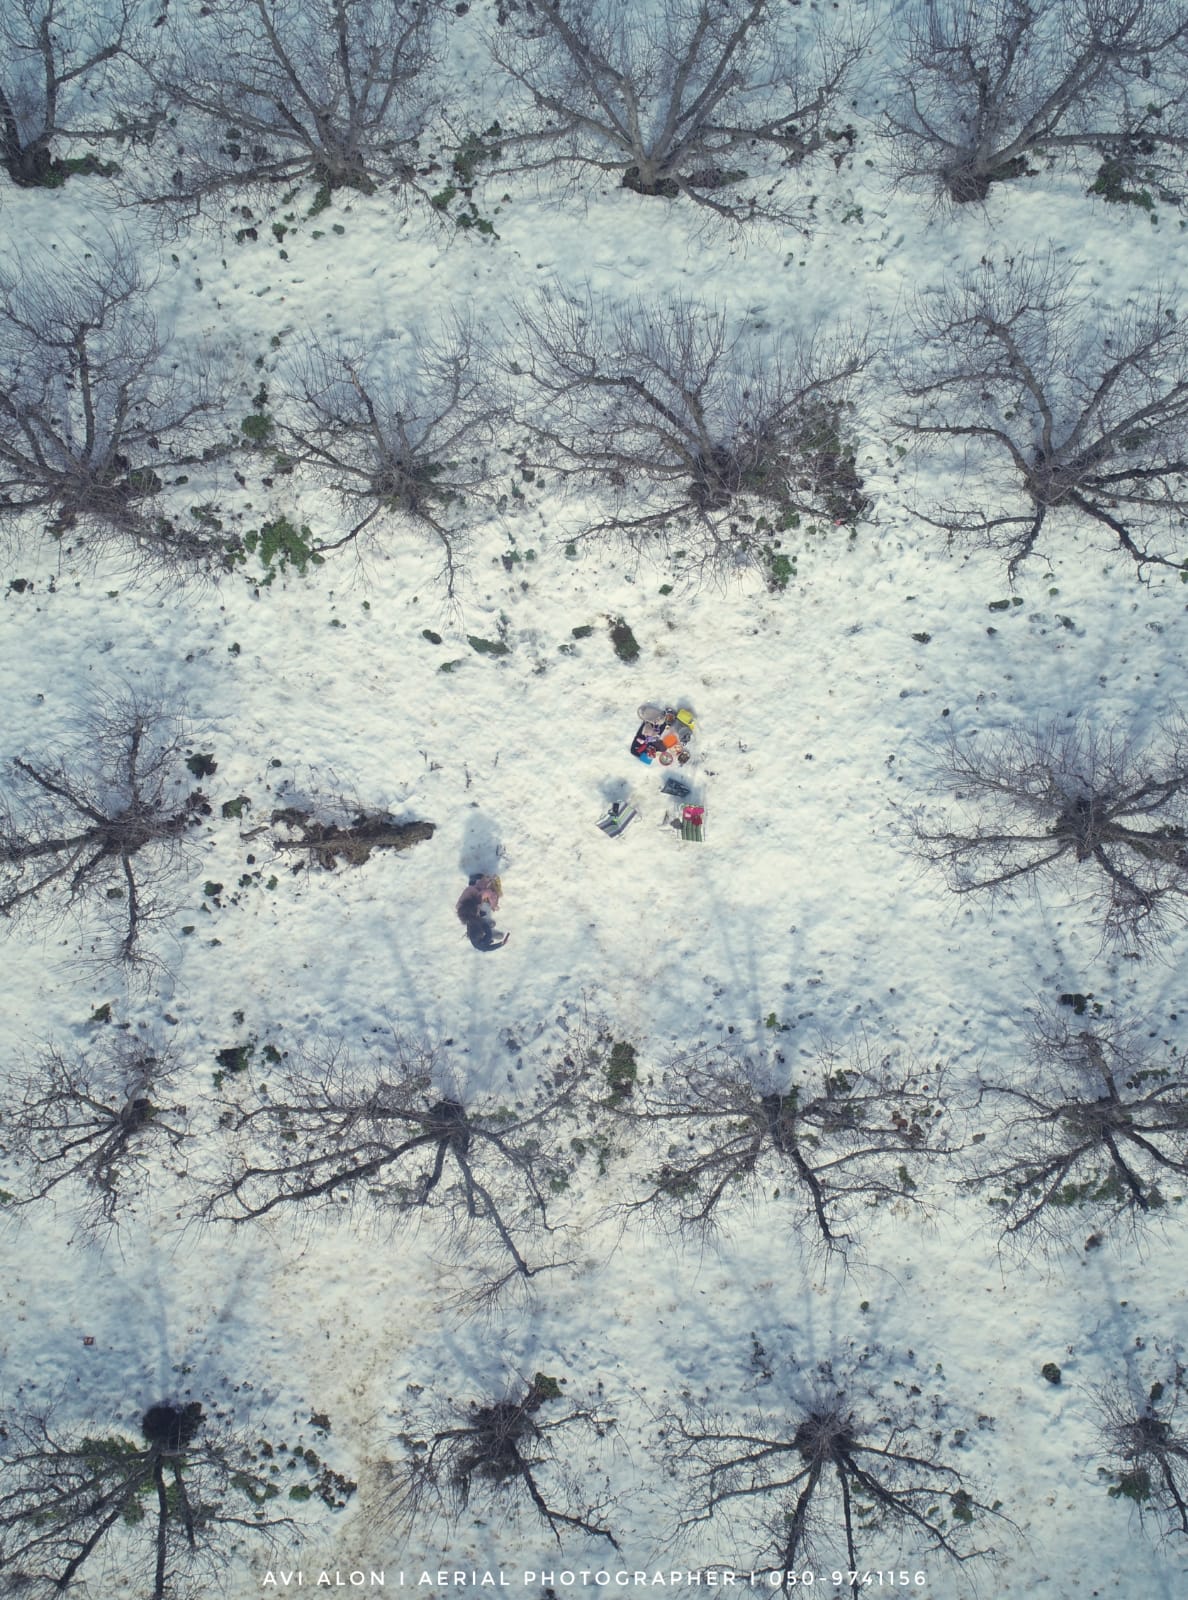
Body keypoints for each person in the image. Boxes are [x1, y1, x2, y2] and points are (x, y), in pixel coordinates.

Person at [456, 873, 509, 950]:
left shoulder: (478, 895)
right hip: (472, 900)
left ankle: (474, 879)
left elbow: (491, 893)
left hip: (474, 891)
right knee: (481, 931)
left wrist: (494, 905)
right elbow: (483, 948)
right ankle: (486, 931)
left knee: (483, 883)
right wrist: (500, 944)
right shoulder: (465, 913)